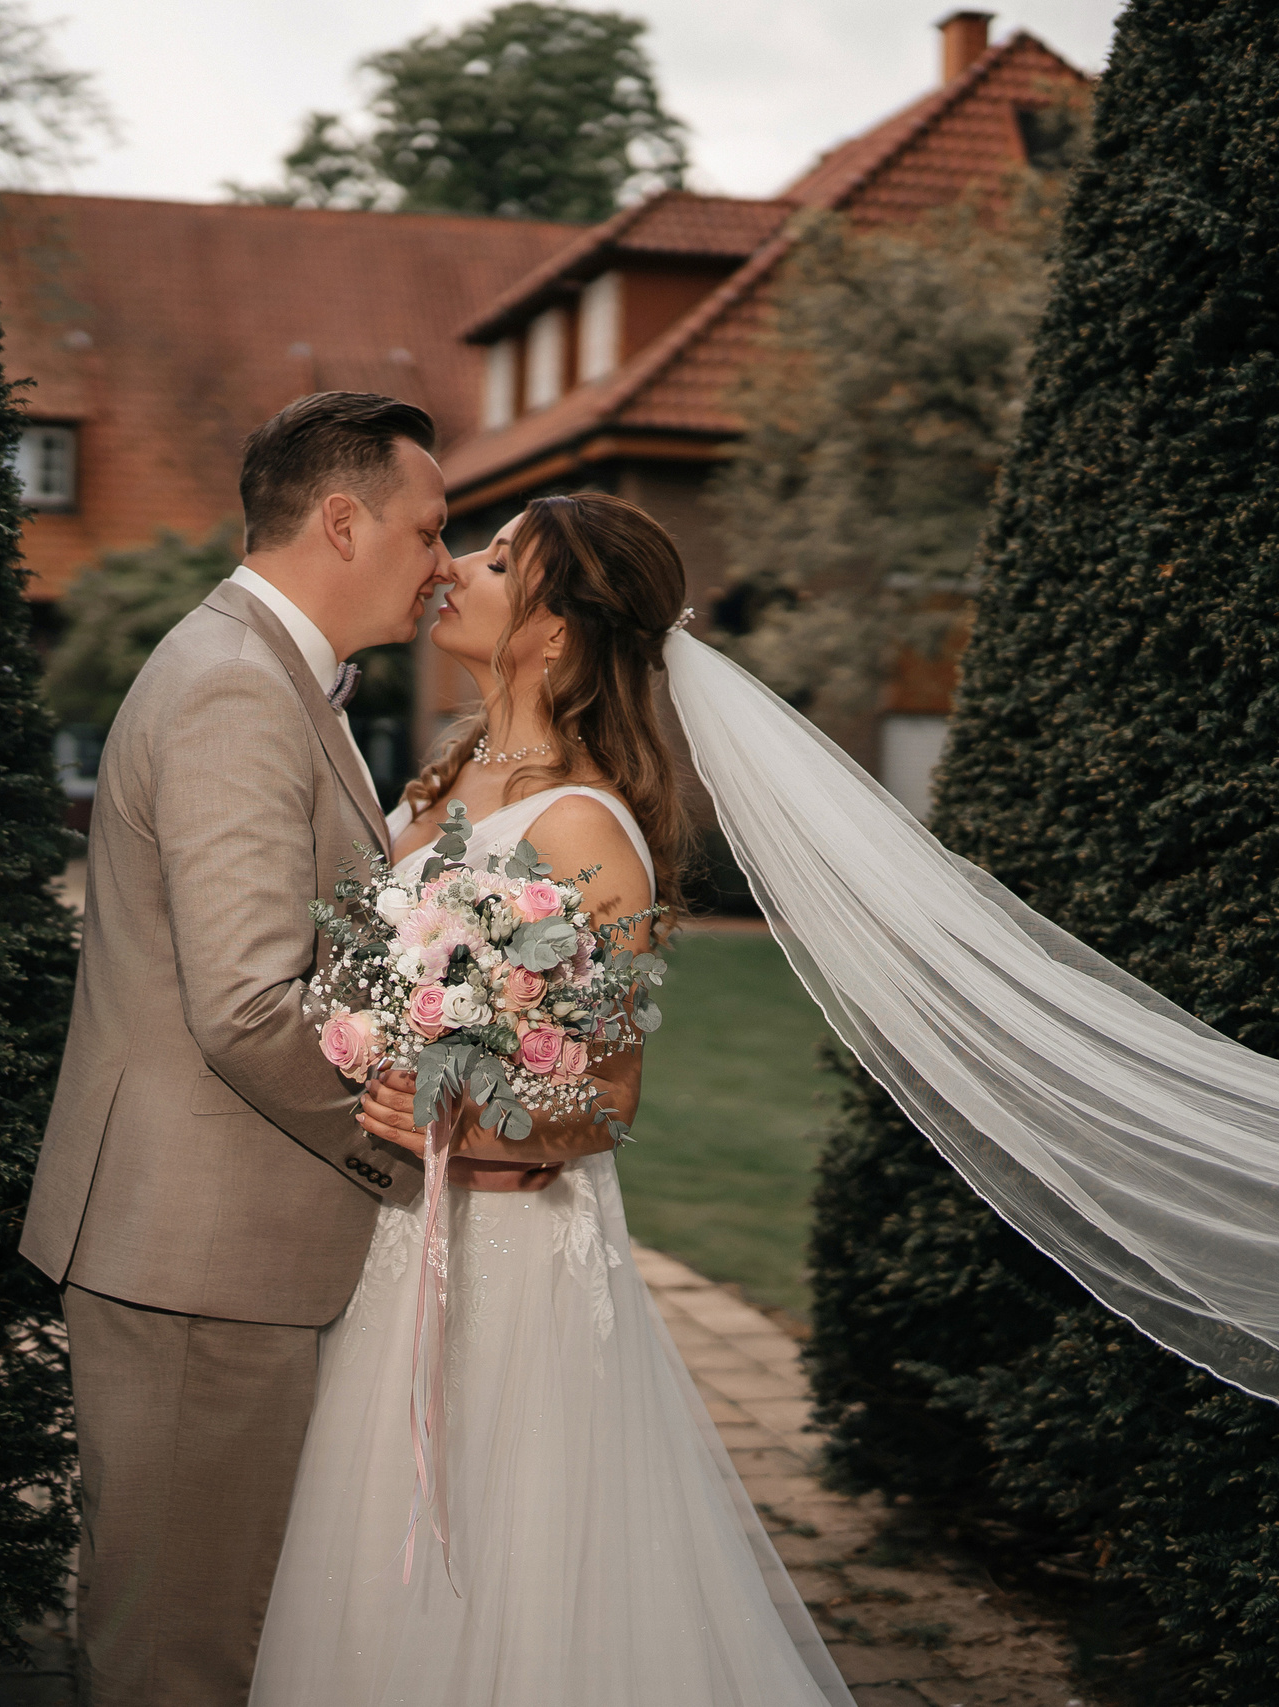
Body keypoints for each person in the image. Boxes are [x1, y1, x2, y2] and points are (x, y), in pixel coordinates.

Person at [248, 493, 855, 1706]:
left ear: (556, 631)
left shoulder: (585, 826)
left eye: (495, 561)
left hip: (506, 1259)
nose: (453, 568)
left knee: (500, 1552)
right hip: (396, 1238)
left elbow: (609, 1094)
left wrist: (456, 1115)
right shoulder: (447, 775)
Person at [20, 391, 453, 1707]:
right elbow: (250, 1007)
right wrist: (406, 1144)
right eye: (431, 528)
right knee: (182, 1653)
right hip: (200, 1254)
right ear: (344, 521)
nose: (443, 560)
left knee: (215, 1631)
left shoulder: (268, 676)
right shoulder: (234, 687)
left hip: (219, 1247)